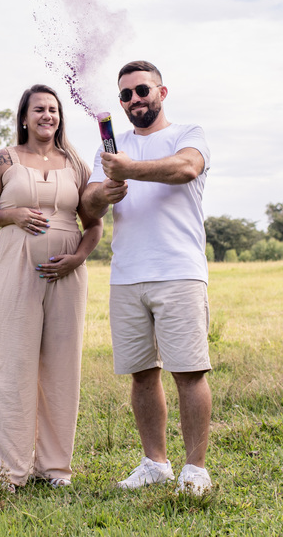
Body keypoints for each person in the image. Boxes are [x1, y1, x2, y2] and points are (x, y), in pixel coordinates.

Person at [79, 60, 214, 496]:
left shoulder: (187, 134)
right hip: (127, 275)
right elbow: (88, 206)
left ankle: (195, 471)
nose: (135, 100)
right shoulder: (112, 150)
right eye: (126, 95)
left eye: (142, 90)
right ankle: (155, 463)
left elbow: (185, 169)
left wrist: (127, 171)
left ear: (162, 92)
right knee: (141, 373)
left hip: (178, 272)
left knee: (188, 372)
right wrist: (105, 191)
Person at [0, 84, 104, 490]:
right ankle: (11, 471)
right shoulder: (3, 160)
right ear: (24, 117)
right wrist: (11, 214)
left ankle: (55, 469)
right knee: (15, 365)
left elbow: (94, 224)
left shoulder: (76, 163)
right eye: (39, 109)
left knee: (63, 369)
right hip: (17, 270)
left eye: (54, 110)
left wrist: (78, 258)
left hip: (67, 276)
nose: (48, 116)